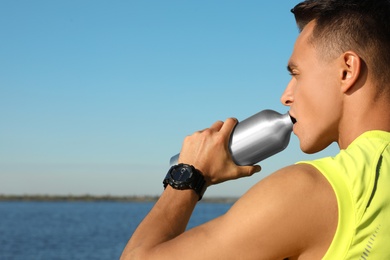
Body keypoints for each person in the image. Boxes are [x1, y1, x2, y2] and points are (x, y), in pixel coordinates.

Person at [121, 0, 390, 259]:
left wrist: (189, 174)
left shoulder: (309, 192)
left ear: (347, 70)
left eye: (296, 74)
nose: (286, 96)